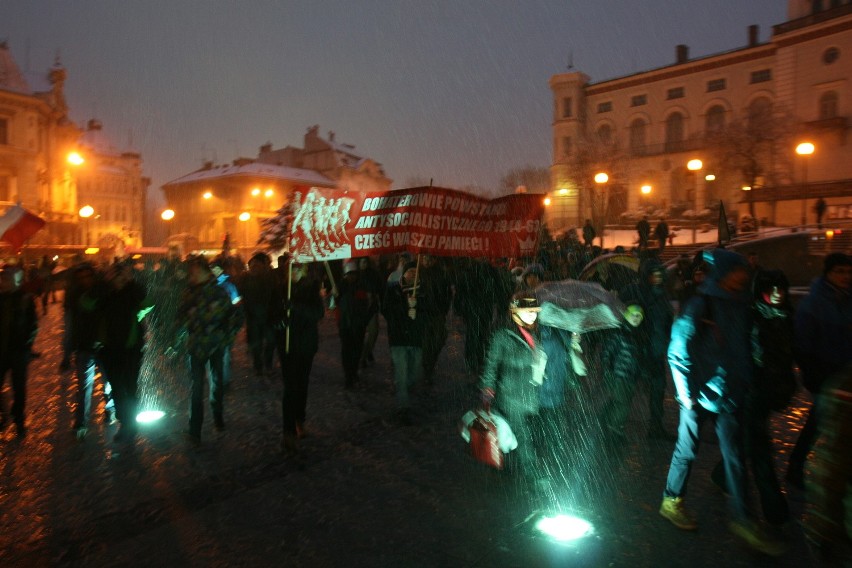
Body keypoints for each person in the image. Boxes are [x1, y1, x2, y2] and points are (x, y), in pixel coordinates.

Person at [660, 248, 783, 556]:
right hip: (698, 395)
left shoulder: (741, 304)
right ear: (725, 274)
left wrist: (746, 381)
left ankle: (743, 519)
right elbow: (677, 351)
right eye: (738, 272)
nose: (743, 277)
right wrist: (686, 396)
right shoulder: (702, 304)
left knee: (735, 458)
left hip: (729, 396)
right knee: (687, 450)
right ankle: (671, 500)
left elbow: (744, 346)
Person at [710, 269, 796, 530]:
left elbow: (786, 356)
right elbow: (739, 354)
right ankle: (773, 509)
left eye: (781, 289)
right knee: (759, 450)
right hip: (749, 392)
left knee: (746, 443)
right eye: (772, 290)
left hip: (768, 391)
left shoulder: (785, 316)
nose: (778, 295)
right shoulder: (750, 316)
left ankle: (722, 475)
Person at [787, 252, 852, 489]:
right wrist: (814, 377)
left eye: (849, 272)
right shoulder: (814, 303)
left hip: (846, 376)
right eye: (840, 272)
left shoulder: (847, 299)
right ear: (828, 274)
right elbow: (802, 346)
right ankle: (796, 468)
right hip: (824, 374)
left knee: (827, 422)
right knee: (820, 423)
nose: (846, 277)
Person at [480, 293, 546, 489]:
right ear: (515, 313)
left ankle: (496, 466)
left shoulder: (533, 333)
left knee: (509, 435)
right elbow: (491, 364)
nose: (533, 316)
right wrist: (487, 387)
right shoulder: (503, 336)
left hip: (529, 394)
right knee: (523, 437)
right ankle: (533, 476)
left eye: (535, 312)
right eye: (528, 312)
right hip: (511, 395)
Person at [177, 256, 244, 445]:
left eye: (195, 271)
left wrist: (226, 338)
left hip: (215, 345)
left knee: (216, 382)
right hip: (196, 347)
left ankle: (218, 415)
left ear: (205, 272)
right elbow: (180, 317)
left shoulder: (219, 293)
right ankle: (194, 429)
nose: (191, 275)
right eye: (191, 272)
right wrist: (180, 331)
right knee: (196, 388)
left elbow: (236, 317)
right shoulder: (189, 294)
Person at [96, 261, 153, 444]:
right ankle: (125, 422)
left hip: (131, 348)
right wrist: (104, 282)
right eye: (117, 277)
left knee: (129, 387)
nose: (119, 280)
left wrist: (138, 314)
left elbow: (149, 303)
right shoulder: (106, 292)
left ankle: (130, 424)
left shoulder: (133, 292)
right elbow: (87, 304)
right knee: (118, 389)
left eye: (122, 277)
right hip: (110, 349)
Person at [619, 258, 675, 439]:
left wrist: (667, 338)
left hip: (657, 351)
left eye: (660, 274)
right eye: (654, 274)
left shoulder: (662, 296)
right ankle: (615, 426)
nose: (657, 278)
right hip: (637, 350)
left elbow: (667, 320)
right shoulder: (632, 291)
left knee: (658, 390)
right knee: (627, 391)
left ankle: (656, 427)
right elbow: (621, 315)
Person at [279, 261, 324, 454]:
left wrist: (295, 307)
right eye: (292, 269)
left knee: (301, 384)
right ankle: (288, 431)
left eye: (298, 269)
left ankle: (299, 419)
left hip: (305, 345)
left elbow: (317, 313)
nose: (295, 273)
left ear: (304, 271)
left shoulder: (312, 290)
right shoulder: (282, 289)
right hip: (287, 346)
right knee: (290, 387)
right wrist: (280, 321)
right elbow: (273, 315)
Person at [382, 261, 425, 423]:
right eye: (410, 271)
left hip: (415, 339)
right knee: (401, 373)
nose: (413, 274)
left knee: (413, 373)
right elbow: (387, 311)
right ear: (404, 274)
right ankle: (403, 406)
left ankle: (406, 392)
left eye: (416, 271)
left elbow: (430, 312)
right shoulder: (393, 290)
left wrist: (417, 312)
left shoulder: (423, 291)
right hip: (398, 339)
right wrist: (405, 309)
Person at [0, 265, 38, 438]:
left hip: (18, 352)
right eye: (2, 280)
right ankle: (4, 414)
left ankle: (19, 419)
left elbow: (33, 326)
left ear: (15, 281)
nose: (3, 283)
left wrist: (26, 346)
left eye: (6, 280)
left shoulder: (24, 299)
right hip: (1, 351)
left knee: (19, 388)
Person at [334, 260, 375, 388]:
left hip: (358, 325)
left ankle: (353, 372)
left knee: (356, 350)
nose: (351, 277)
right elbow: (333, 305)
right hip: (345, 325)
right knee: (347, 350)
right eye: (348, 274)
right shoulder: (341, 286)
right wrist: (334, 297)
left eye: (353, 274)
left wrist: (365, 320)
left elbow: (371, 304)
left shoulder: (363, 285)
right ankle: (348, 375)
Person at [240, 252, 279, 377]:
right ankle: (265, 366)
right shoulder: (269, 276)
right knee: (267, 343)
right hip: (264, 317)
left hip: (258, 317)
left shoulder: (248, 277)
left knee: (258, 344)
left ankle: (260, 367)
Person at [417, 255, 452, 386]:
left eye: (428, 259)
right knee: (426, 341)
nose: (426, 261)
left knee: (438, 340)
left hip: (438, 314)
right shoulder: (418, 274)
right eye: (424, 259)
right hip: (424, 313)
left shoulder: (442, 274)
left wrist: (443, 309)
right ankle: (427, 367)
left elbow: (447, 294)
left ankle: (430, 363)